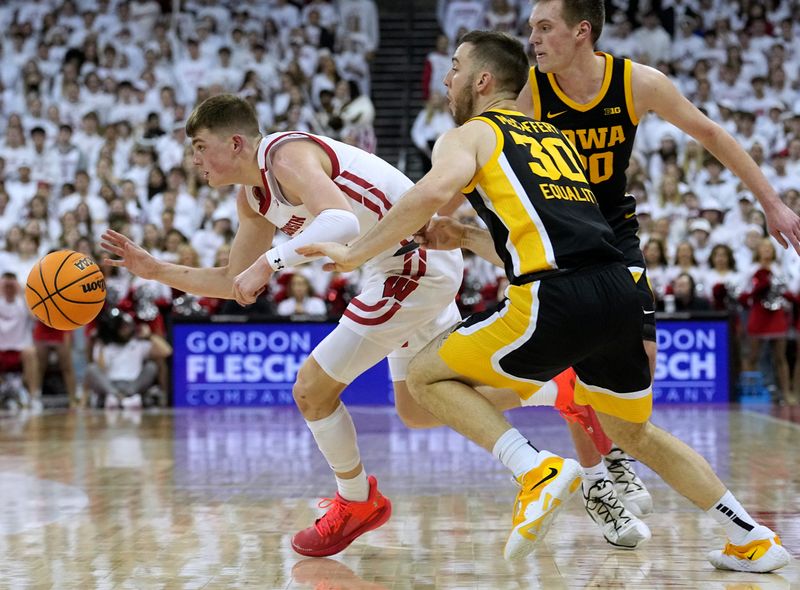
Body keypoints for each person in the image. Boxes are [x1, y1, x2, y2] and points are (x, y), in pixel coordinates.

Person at [301, 31, 791, 572]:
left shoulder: (470, 134)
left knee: (423, 377)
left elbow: (430, 195)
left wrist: (353, 252)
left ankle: (536, 470)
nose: (446, 79)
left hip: (556, 297)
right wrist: (463, 237)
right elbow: (545, 239)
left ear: (483, 81)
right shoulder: (554, 139)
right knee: (634, 432)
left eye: (456, 67)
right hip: (620, 290)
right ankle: (750, 537)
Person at [100, 94, 466, 557]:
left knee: (311, 389)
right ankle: (555, 390)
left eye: (198, 146)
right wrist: (157, 270)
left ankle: (357, 501)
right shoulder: (252, 197)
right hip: (388, 265)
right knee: (418, 409)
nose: (192, 159)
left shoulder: (283, 154)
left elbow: (340, 220)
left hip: (414, 258)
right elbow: (236, 282)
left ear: (235, 143)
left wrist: (271, 261)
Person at [515, 0, 800, 545]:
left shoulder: (636, 82)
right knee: (578, 359)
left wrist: (772, 203)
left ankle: (614, 451)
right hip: (558, 233)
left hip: (614, 232)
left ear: (582, 31)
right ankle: (599, 480)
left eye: (544, 27)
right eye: (531, 29)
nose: (534, 39)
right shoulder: (531, 91)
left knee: (639, 365)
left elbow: (712, 135)